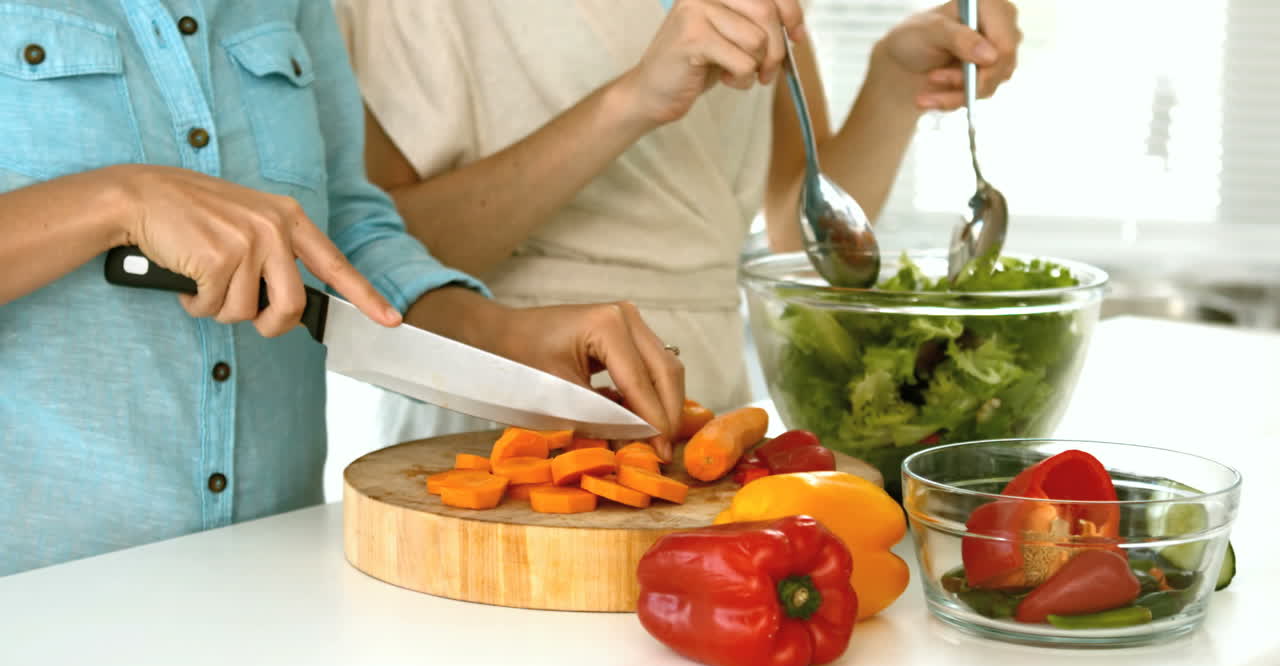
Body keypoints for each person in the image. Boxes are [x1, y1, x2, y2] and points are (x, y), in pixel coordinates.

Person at [0, 0, 683, 577]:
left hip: (275, 576)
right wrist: (116, 202)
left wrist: (498, 335)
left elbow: (347, 222)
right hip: (39, 599)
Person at [335, 0, 1023, 444]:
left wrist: (893, 86)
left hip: (711, 414)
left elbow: (797, 228)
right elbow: (385, 257)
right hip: (512, 409)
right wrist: (632, 100)